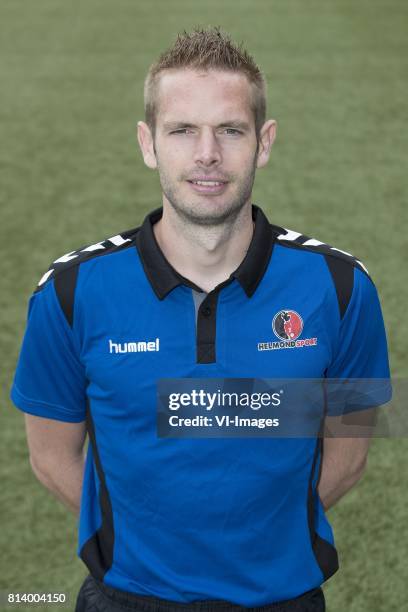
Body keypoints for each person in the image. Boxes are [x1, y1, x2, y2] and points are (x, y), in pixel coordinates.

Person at [10, 26, 392, 612]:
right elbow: (50, 455)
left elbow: (350, 451)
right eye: (183, 130)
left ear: (263, 143)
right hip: (125, 599)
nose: (207, 154)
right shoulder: (70, 293)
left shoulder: (341, 289)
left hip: (284, 598)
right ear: (148, 143)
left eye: (230, 130)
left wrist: (261, 536)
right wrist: (153, 539)